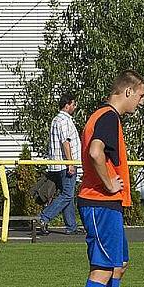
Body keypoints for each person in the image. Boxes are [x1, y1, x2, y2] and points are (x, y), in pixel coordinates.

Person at [77, 71, 144, 287]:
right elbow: (95, 152)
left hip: (107, 205)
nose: (141, 103)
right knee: (103, 269)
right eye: (140, 96)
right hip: (98, 203)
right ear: (127, 92)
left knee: (119, 265)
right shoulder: (108, 116)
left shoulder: (105, 117)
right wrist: (108, 183)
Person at [38, 93, 82, 235]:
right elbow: (66, 142)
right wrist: (70, 163)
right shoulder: (63, 120)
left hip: (58, 164)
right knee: (68, 195)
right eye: (73, 104)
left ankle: (71, 226)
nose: (75, 107)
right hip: (64, 164)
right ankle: (44, 217)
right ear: (67, 104)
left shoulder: (58, 119)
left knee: (67, 194)